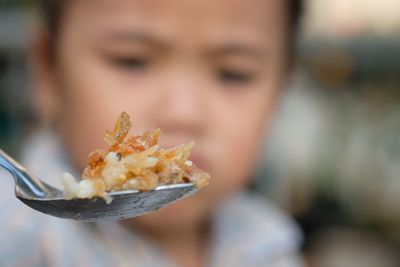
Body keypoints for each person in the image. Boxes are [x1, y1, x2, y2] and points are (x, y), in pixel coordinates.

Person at [0, 0, 304, 266]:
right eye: (132, 60)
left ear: (282, 89)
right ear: (48, 69)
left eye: (233, 73)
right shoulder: (16, 235)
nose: (183, 112)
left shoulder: (270, 244)